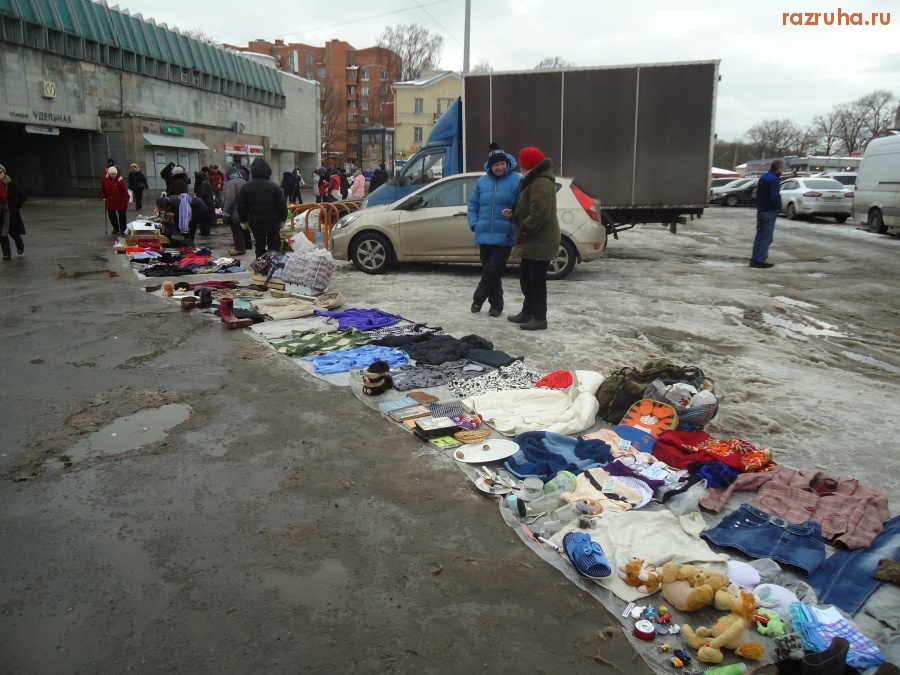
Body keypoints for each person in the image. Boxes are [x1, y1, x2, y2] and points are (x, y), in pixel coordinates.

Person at [507, 147, 560, 331]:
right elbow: (528, 207)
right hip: (532, 240)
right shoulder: (534, 181)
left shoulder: (541, 183)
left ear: (527, 165)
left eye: (521, 163)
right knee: (526, 279)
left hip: (540, 241)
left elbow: (539, 213)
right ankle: (528, 311)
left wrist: (524, 229)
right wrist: (514, 213)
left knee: (536, 281)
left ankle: (539, 317)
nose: (519, 167)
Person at [467, 143, 521, 317]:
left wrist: (514, 214)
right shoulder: (482, 182)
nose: (500, 167)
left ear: (507, 163)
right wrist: (474, 224)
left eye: (502, 163)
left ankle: (478, 298)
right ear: (490, 166)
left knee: (492, 269)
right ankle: (496, 306)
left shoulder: (517, 180)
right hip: (483, 235)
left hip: (505, 234)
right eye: (496, 164)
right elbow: (473, 206)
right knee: (492, 273)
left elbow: (523, 205)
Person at [237, 158, 286, 258]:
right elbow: (281, 205)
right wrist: (282, 219)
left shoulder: (246, 187)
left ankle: (260, 263)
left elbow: (241, 206)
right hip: (272, 222)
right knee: (274, 244)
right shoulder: (274, 187)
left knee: (259, 244)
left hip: (255, 222)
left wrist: (243, 220)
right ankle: (273, 262)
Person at [750, 159, 784, 269]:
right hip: (769, 210)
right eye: (782, 168)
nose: (783, 170)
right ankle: (761, 260)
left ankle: (754, 259)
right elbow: (774, 196)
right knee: (766, 237)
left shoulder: (764, 177)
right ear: (779, 168)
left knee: (759, 236)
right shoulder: (774, 179)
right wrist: (778, 206)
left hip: (761, 209)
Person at [222, 166, 252, 256]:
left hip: (235, 211)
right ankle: (245, 246)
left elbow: (230, 199)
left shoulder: (231, 183)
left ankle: (239, 248)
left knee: (236, 230)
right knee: (243, 229)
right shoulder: (243, 181)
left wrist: (226, 213)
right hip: (244, 211)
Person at [0, 164, 26, 260]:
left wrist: (15, 206)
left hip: (11, 213)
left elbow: (22, 196)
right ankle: (6, 253)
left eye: (0, 172)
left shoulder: (11, 184)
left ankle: (20, 244)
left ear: (4, 173)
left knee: (14, 232)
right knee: (2, 234)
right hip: (1, 214)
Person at [101, 166, 130, 235]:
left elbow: (124, 190)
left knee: (122, 215)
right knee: (111, 215)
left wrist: (126, 199)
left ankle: (123, 229)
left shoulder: (120, 180)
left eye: (114, 174)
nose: (113, 175)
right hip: (110, 200)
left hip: (120, 200)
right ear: (109, 174)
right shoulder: (105, 179)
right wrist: (103, 197)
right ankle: (115, 228)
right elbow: (102, 189)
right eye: (112, 174)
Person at [193, 170, 215, 237]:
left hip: (205, 204)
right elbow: (196, 190)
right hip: (208, 204)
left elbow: (202, 194)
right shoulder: (205, 182)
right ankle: (206, 232)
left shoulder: (204, 184)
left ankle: (205, 232)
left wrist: (198, 203)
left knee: (203, 219)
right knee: (206, 219)